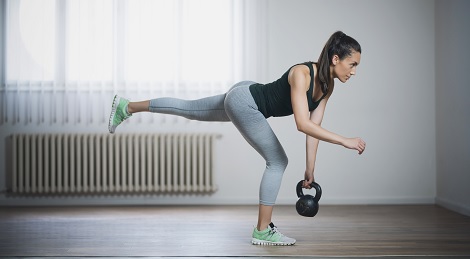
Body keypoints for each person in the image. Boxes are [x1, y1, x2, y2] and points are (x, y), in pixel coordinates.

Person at [108, 31, 366, 246]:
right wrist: (344, 140)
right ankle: (262, 231)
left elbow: (314, 129)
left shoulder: (327, 88)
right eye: (352, 64)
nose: (354, 71)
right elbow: (302, 124)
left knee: (189, 108)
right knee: (277, 161)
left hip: (246, 94)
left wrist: (310, 170)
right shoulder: (303, 73)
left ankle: (127, 107)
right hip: (247, 102)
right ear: (335, 59)